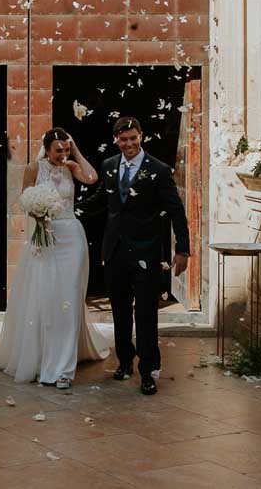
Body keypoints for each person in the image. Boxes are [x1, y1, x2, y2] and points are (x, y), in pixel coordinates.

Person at [0, 128, 109, 389]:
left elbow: (92, 177)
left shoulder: (71, 166)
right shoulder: (34, 168)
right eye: (59, 150)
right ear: (46, 148)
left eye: (66, 149)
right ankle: (42, 356)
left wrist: (75, 149)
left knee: (69, 297)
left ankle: (64, 369)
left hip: (71, 236)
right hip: (45, 238)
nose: (62, 155)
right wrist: (37, 214)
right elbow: (24, 200)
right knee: (46, 297)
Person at [77, 116, 189, 396]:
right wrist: (66, 209)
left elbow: (176, 211)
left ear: (141, 136)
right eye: (123, 139)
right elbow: (101, 201)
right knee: (121, 311)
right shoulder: (109, 166)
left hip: (148, 252)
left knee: (147, 313)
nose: (128, 144)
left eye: (133, 138)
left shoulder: (159, 170)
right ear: (116, 140)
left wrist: (183, 250)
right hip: (114, 251)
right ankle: (125, 361)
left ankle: (148, 371)